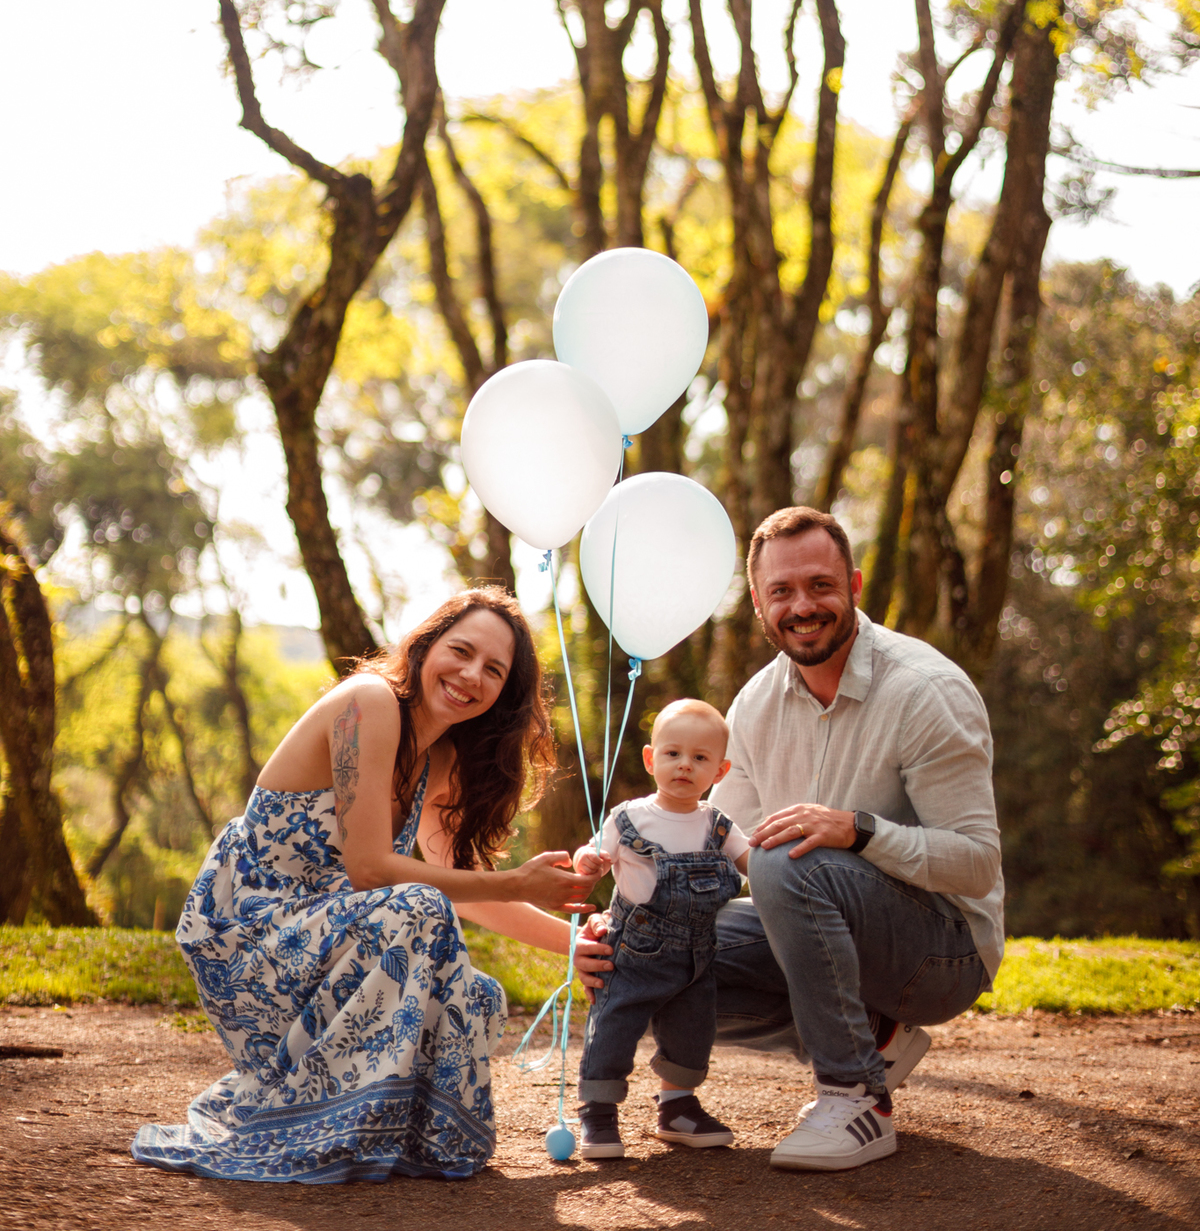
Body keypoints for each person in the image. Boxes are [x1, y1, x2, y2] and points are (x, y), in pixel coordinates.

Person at [576, 505, 1004, 1174]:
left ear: (855, 587)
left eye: (820, 586)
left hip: (943, 954)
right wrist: (625, 918)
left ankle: (856, 1098)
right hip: (841, 944)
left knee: (783, 857)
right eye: (782, 591)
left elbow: (977, 867)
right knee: (649, 952)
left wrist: (859, 831)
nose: (802, 606)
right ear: (758, 602)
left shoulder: (924, 692)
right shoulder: (754, 707)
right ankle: (877, 1036)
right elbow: (700, 852)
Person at [133, 587, 594, 1184]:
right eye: (461, 650)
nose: (471, 674)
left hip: (323, 953)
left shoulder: (439, 759)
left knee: (474, 996)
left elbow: (459, 884)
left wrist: (576, 947)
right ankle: (319, 1125)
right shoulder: (370, 704)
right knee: (420, 910)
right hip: (245, 947)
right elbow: (373, 871)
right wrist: (517, 882)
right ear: (427, 644)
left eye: (494, 670)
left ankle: (367, 1130)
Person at [570, 699, 750, 1160]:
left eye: (700, 758)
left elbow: (754, 865)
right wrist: (586, 861)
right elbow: (593, 857)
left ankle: (677, 1107)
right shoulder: (629, 818)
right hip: (633, 949)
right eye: (673, 754)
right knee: (614, 1024)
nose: (685, 765)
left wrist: (779, 873)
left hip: (697, 954)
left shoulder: (718, 825)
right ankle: (599, 1113)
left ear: (720, 771)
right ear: (651, 759)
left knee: (693, 1030)